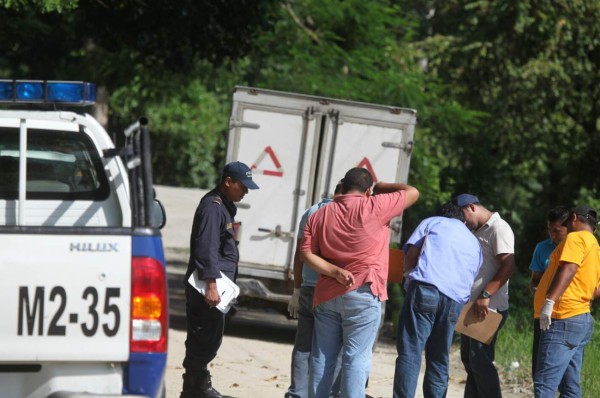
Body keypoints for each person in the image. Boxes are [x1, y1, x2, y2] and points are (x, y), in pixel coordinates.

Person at [301, 167, 419, 398]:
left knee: (322, 357)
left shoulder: (320, 214)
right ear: (368, 191)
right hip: (364, 294)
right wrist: (382, 187)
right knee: (356, 358)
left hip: (327, 295)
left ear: (342, 187)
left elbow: (306, 253)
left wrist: (334, 271)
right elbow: (412, 192)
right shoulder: (375, 206)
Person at [180, 161, 259, 398]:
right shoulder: (213, 207)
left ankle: (196, 386)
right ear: (228, 182)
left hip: (215, 287)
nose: (245, 191)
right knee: (203, 337)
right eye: (242, 186)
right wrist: (211, 285)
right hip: (207, 288)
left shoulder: (223, 206)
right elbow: (206, 248)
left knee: (209, 338)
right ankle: (195, 389)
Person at [393, 201, 483, 398]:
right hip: (455, 302)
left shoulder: (432, 222)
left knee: (410, 352)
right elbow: (473, 274)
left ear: (441, 214)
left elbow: (412, 253)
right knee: (438, 358)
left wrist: (408, 276)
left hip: (426, 289)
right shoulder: (474, 241)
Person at [533, 205, 600, 397]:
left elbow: (569, 268)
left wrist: (549, 301)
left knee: (544, 385)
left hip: (562, 319)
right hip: (580, 319)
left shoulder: (576, 237)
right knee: (570, 387)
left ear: (573, 218)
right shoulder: (595, 246)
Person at [453, 193, 516, 398]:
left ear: (471, 207)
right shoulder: (475, 230)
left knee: (480, 359)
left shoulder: (499, 228)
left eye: (463, 216)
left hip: (488, 306)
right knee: (470, 361)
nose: (463, 222)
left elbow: (509, 264)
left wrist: (486, 293)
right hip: (471, 306)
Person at [286, 182, 344, 398]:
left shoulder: (312, 211)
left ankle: (297, 393)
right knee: (333, 349)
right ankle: (326, 394)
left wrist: (296, 289)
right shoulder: (348, 213)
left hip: (309, 288)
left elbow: (300, 253)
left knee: (303, 345)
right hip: (331, 289)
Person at [528, 206, 569, 378]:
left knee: (566, 371)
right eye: (549, 229)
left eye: (557, 231)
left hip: (568, 313)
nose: (552, 234)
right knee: (539, 364)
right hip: (544, 314)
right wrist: (536, 288)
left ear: (568, 228)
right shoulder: (542, 248)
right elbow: (534, 281)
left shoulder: (578, 247)